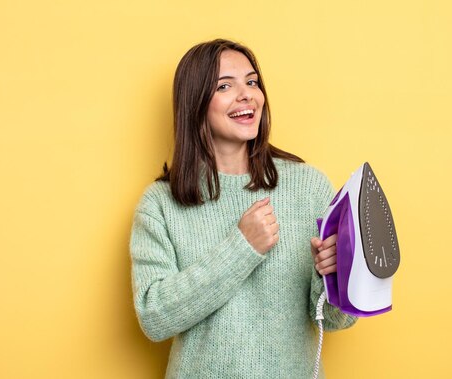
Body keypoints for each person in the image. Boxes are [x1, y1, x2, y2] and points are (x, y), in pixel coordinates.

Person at [130, 39, 357, 378]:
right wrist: (242, 247)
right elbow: (154, 317)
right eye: (225, 86)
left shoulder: (309, 187)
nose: (247, 94)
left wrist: (337, 275)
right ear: (195, 103)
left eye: (252, 82)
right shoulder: (160, 204)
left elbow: (335, 320)